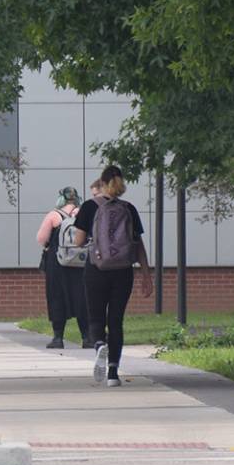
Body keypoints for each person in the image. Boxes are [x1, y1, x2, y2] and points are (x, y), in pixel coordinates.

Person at [71, 165, 151, 385]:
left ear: (103, 183)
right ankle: (113, 374)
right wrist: (146, 275)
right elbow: (138, 245)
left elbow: (78, 241)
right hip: (123, 272)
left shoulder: (89, 207)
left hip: (96, 269)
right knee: (116, 320)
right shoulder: (129, 208)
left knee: (95, 317)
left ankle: (99, 346)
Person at [36, 186, 90, 349]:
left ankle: (58, 338)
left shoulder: (54, 215)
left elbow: (41, 239)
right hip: (81, 262)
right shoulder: (83, 213)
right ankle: (87, 337)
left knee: (56, 296)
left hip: (57, 262)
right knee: (83, 298)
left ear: (61, 198)